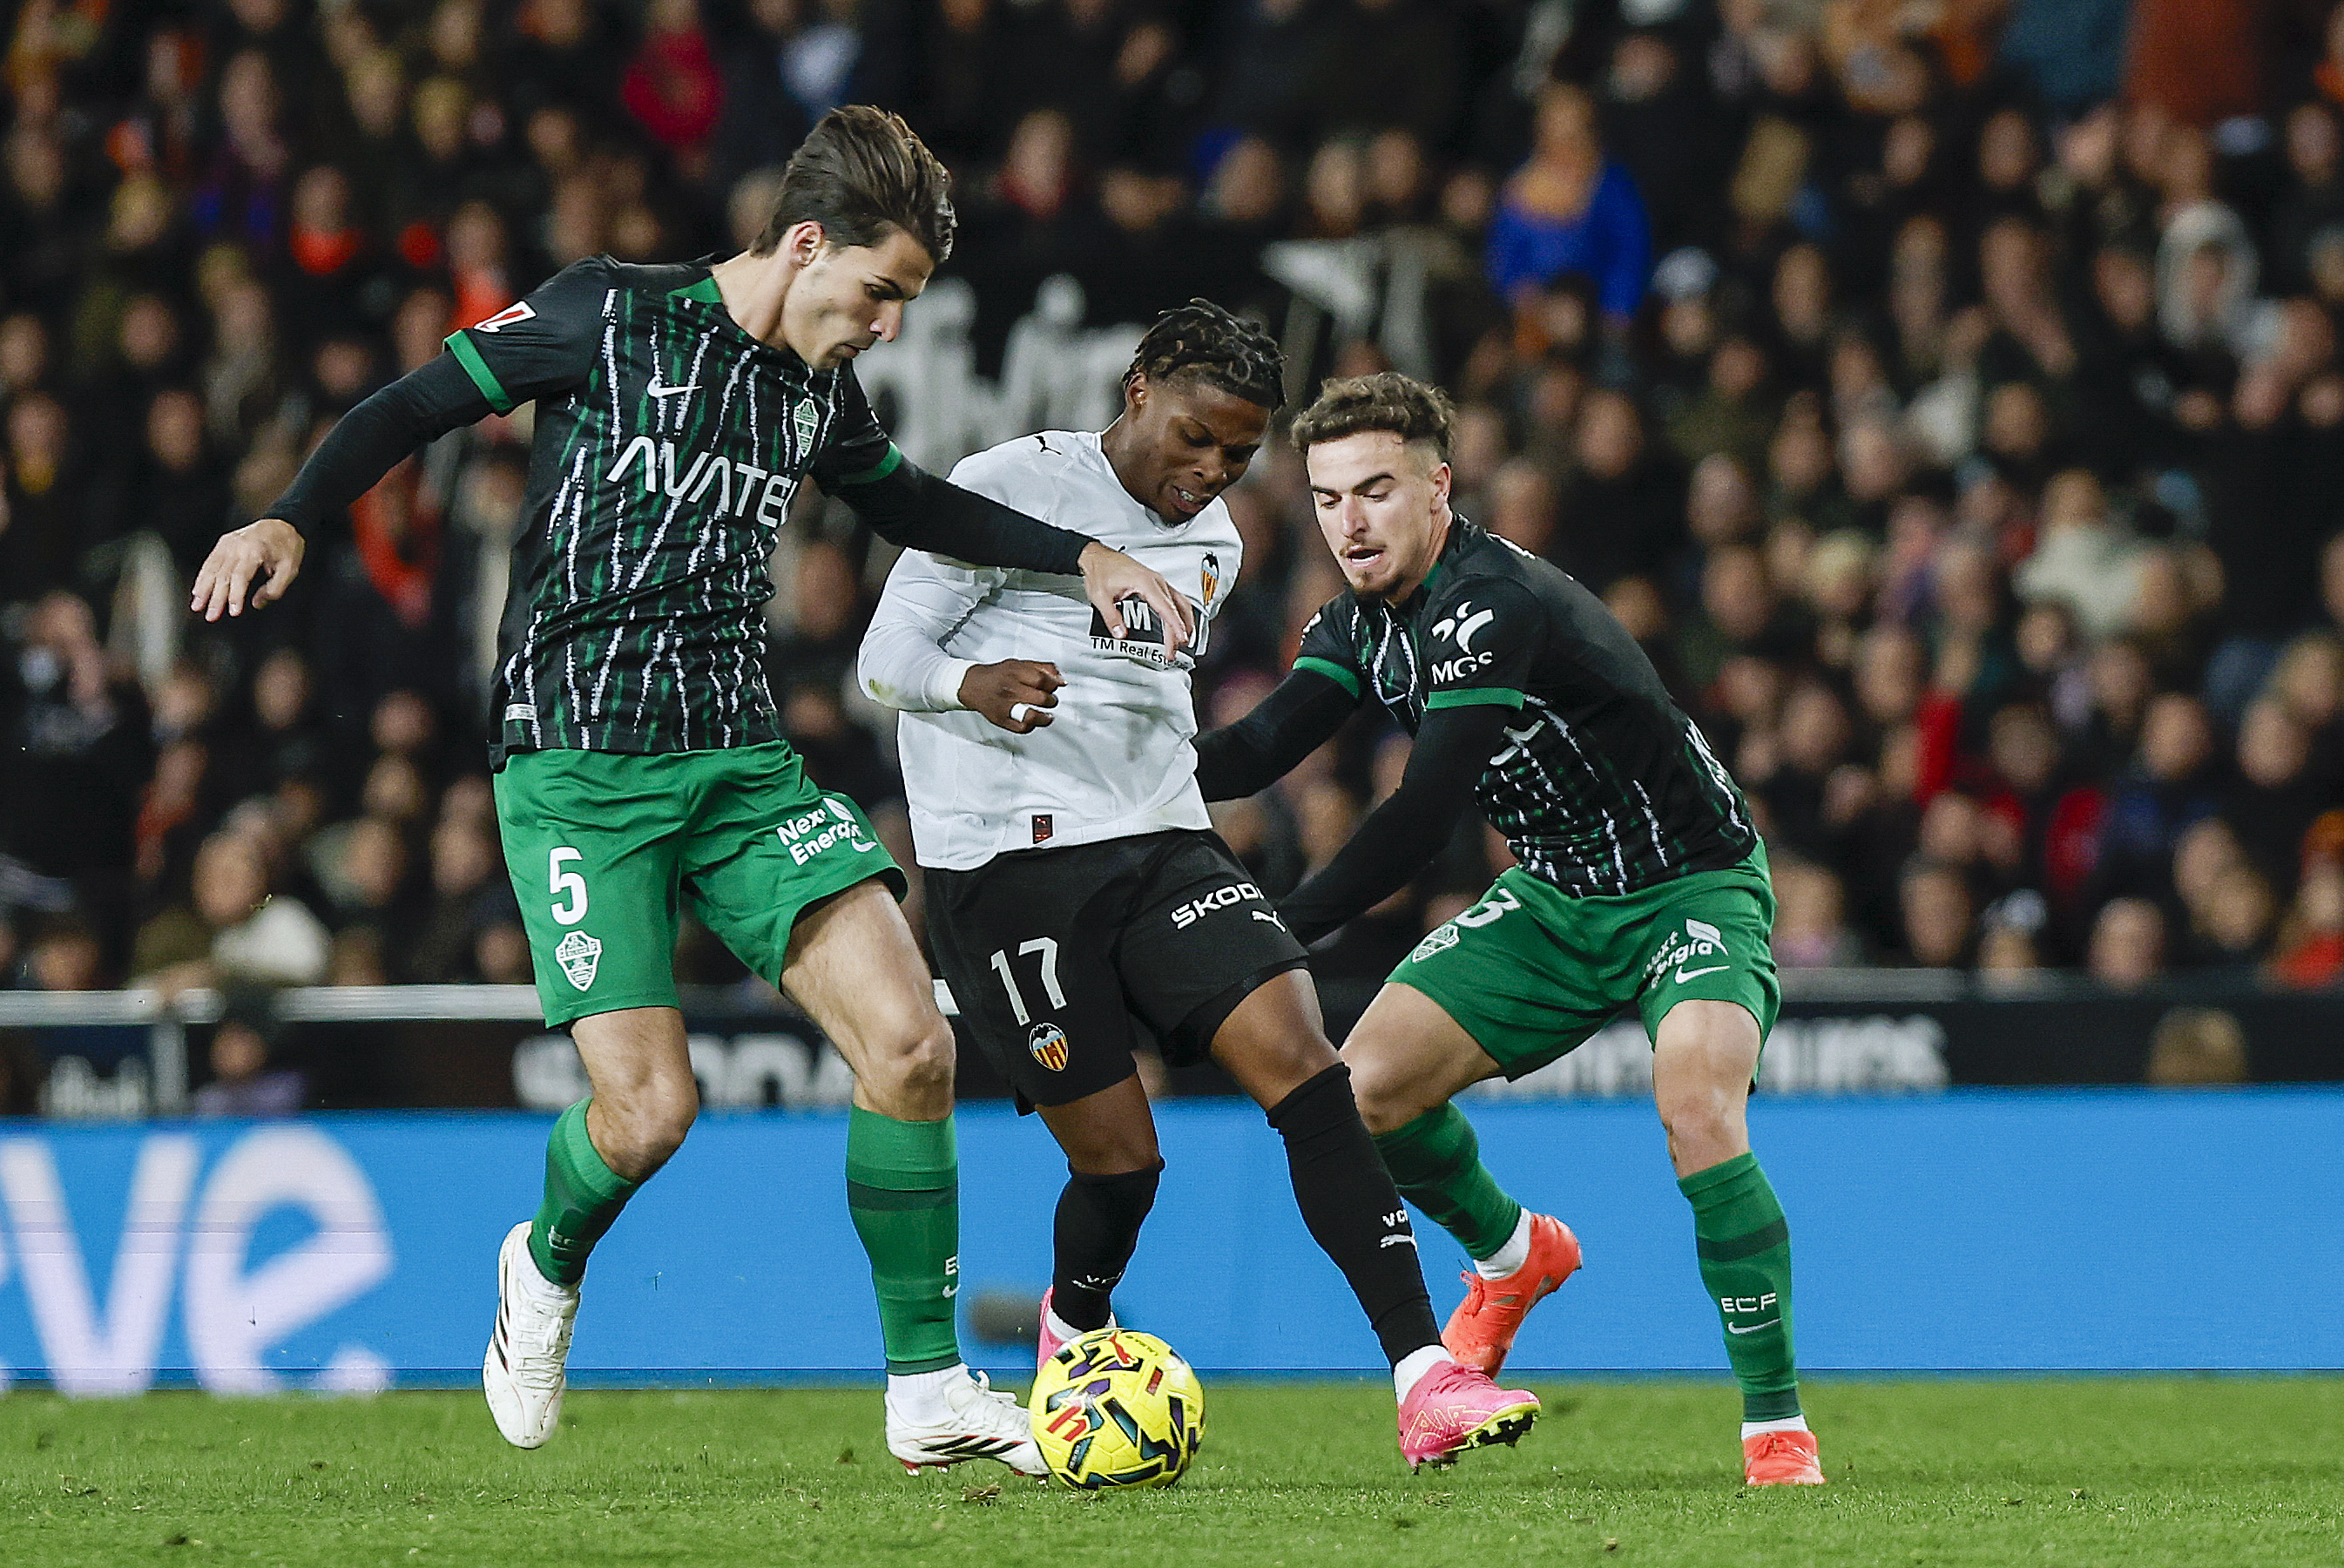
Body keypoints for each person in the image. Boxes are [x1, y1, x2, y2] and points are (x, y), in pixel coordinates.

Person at [187, 105, 1193, 1475]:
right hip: (578, 770)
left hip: (735, 765)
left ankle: (925, 1389)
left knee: (911, 1048)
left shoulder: (814, 391)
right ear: (801, 243)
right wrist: (289, 516)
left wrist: (1079, 556)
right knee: (649, 1114)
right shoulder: (602, 316)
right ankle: (539, 1268)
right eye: (879, 290)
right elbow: (415, 402)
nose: (888, 324)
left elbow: (906, 504)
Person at [858, 302, 1541, 1470]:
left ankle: (1422, 1377)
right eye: (1195, 437)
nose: (1209, 472)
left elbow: (1149, 705)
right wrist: (971, 684)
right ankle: (1072, 1338)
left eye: (1234, 453)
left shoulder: (1215, 543)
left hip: (1162, 843)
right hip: (1004, 870)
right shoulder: (1006, 483)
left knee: (1306, 1067)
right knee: (1121, 1163)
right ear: (1136, 394)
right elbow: (884, 660)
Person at [1192, 372, 1823, 1488]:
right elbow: (1254, 750)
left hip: (1689, 886)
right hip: (1555, 895)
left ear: (1437, 490)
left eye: (1375, 491)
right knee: (1361, 1095)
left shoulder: (1492, 604)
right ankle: (1513, 1254)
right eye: (1328, 498)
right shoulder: (1354, 624)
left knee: (1694, 1109)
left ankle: (1773, 1426)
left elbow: (1424, 815)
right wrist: (1123, 762)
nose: (1349, 522)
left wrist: (1277, 929)